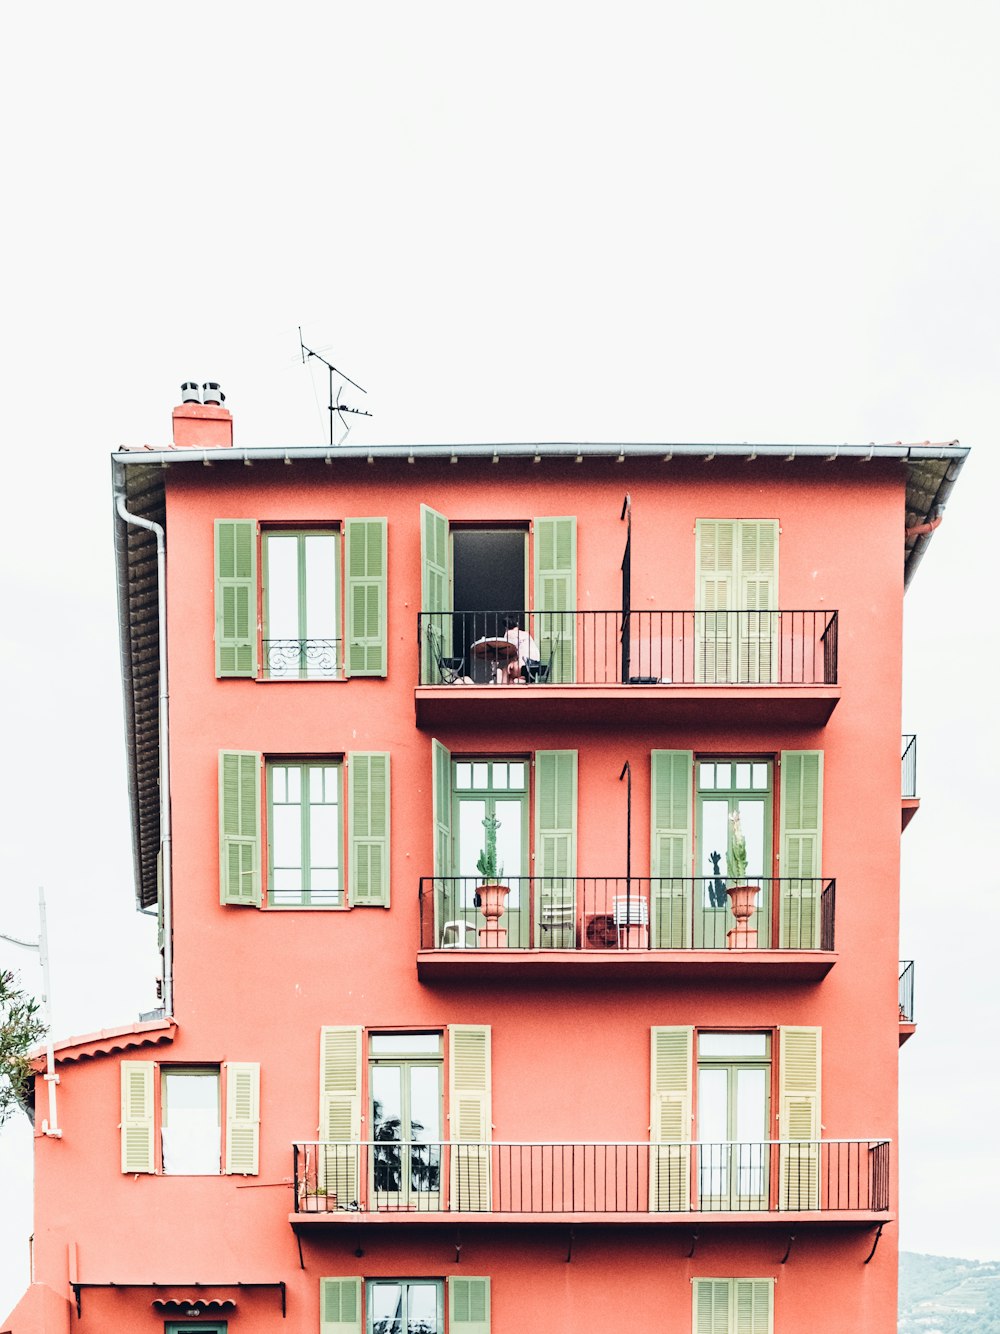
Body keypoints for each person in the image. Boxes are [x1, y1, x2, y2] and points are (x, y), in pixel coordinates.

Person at [500, 614, 540, 683]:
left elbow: (510, 651)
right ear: (517, 624)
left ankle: (503, 691)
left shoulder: (509, 634)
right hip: (536, 664)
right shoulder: (525, 634)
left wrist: (511, 662)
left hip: (525, 664)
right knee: (511, 674)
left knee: (505, 670)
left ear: (506, 627)